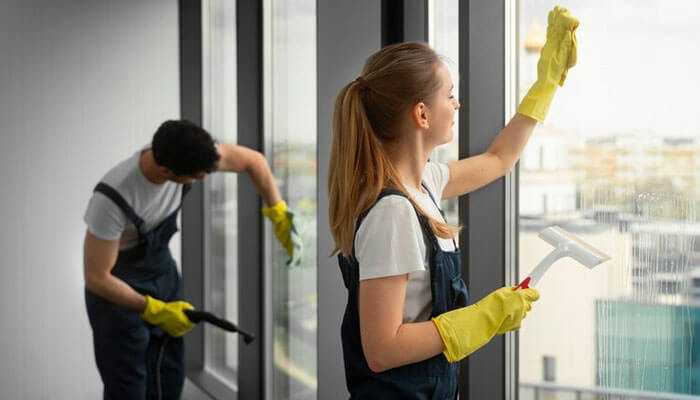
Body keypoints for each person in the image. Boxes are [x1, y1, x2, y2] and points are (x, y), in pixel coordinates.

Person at [328, 6, 578, 399]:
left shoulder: (423, 182)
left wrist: (544, 85)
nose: (457, 104)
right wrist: (485, 316)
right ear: (422, 114)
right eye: (450, 95)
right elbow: (381, 349)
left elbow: (499, 159)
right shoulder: (392, 212)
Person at [83, 119, 301, 399]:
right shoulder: (112, 198)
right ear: (165, 170)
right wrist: (153, 308)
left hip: (162, 274)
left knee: (169, 378)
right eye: (197, 177)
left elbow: (254, 161)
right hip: (117, 293)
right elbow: (97, 278)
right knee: (129, 387)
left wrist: (279, 212)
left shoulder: (190, 152)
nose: (203, 179)